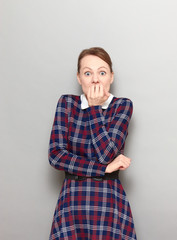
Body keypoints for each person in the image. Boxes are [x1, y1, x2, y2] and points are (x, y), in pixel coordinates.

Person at [48, 47, 137, 240]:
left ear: (111, 77)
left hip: (107, 200)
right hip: (72, 200)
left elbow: (106, 155)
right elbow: (56, 156)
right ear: (79, 78)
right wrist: (102, 169)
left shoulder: (122, 106)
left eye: (102, 72)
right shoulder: (67, 104)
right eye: (88, 73)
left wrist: (94, 108)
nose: (95, 79)